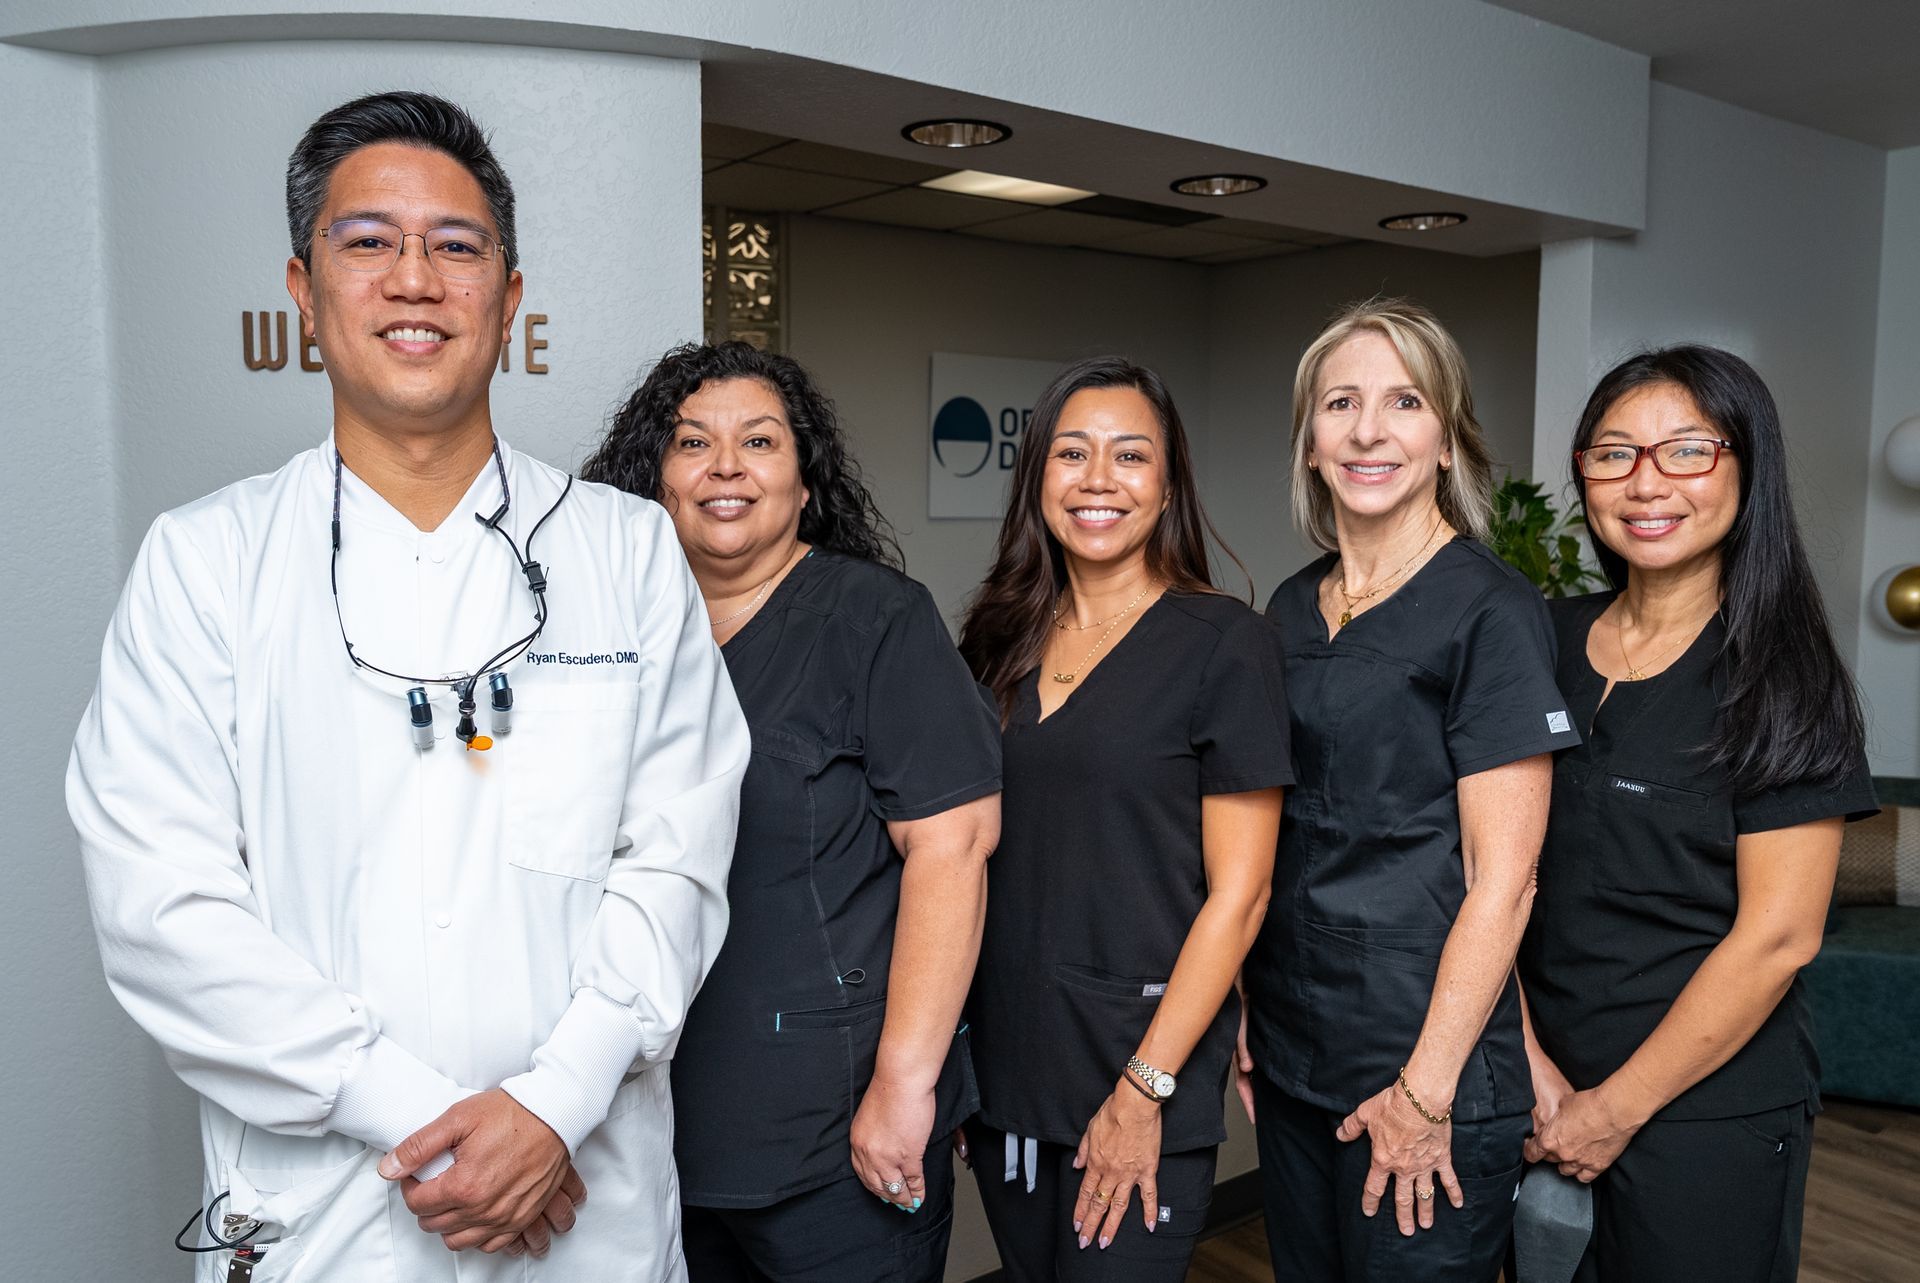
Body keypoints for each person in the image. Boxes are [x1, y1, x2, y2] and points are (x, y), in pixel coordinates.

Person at [66, 92, 748, 1281]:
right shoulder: (205, 562)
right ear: (303, 293)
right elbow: (162, 906)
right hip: (333, 1215)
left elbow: (677, 860)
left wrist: (553, 1101)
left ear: (512, 298)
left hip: (585, 1199)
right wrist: (419, 1118)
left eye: (456, 245)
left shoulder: (625, 549)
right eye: (369, 241)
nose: (414, 278)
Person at [580, 341, 1001, 1281]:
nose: (726, 466)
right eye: (693, 442)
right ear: (655, 478)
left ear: (805, 482)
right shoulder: (612, 635)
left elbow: (955, 848)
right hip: (653, 1126)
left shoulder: (874, 619)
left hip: (836, 1128)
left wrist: (903, 1085)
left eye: (760, 441)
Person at [1516, 347, 1877, 1283]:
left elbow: (1779, 938)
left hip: (1703, 1114)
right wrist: (1525, 1065)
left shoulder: (1783, 678)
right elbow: (1482, 870)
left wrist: (1612, 1108)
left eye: (1686, 451)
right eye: (1613, 453)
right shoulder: (1535, 640)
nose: (1646, 483)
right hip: (1529, 1088)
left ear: (1746, 469)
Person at [1239, 299, 1579, 1281]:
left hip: (1424, 1065)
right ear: (1310, 441)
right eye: (1340, 402)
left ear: (1445, 438)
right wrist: (1254, 1015)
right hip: (1299, 1054)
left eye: (1403, 401)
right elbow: (1289, 833)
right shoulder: (1292, 608)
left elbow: (1503, 881)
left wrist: (1424, 1094)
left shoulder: (1492, 611)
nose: (1368, 429)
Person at [957, 356, 1290, 1282]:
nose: (1099, 479)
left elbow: (1243, 894)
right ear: (1037, 479)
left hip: (1138, 1066)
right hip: (1006, 1073)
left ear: (1169, 481)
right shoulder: (996, 634)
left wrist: (1144, 1092)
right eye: (1072, 453)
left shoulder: (1226, 643)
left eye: (1130, 455)